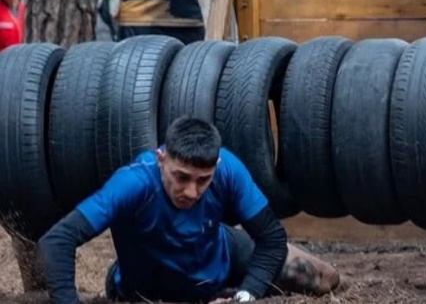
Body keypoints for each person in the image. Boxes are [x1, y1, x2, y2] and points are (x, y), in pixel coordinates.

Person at [39, 117, 340, 303]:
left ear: (216, 168)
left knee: (326, 279)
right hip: (146, 285)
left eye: (202, 180)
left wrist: (245, 296)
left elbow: (271, 239)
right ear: (161, 159)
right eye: (181, 177)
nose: (191, 192)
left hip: (220, 259)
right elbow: (57, 240)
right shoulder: (133, 182)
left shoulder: (228, 169)